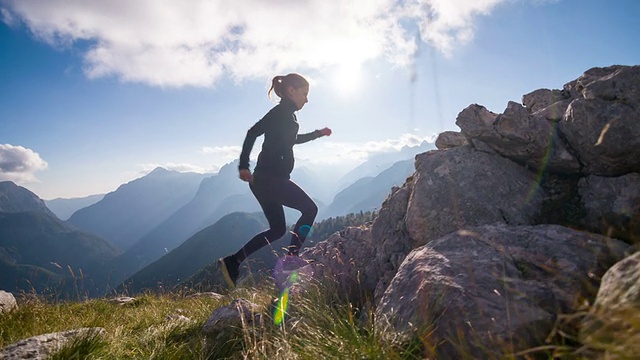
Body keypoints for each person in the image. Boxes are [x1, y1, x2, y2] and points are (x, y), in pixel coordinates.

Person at [218, 73, 332, 288]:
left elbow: (292, 140)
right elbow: (252, 132)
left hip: (264, 181)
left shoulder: (288, 116)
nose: (307, 100)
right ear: (291, 91)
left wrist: (318, 133)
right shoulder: (279, 113)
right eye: (304, 94)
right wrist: (243, 165)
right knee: (310, 209)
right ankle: (291, 261)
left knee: (278, 229)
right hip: (270, 179)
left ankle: (232, 262)